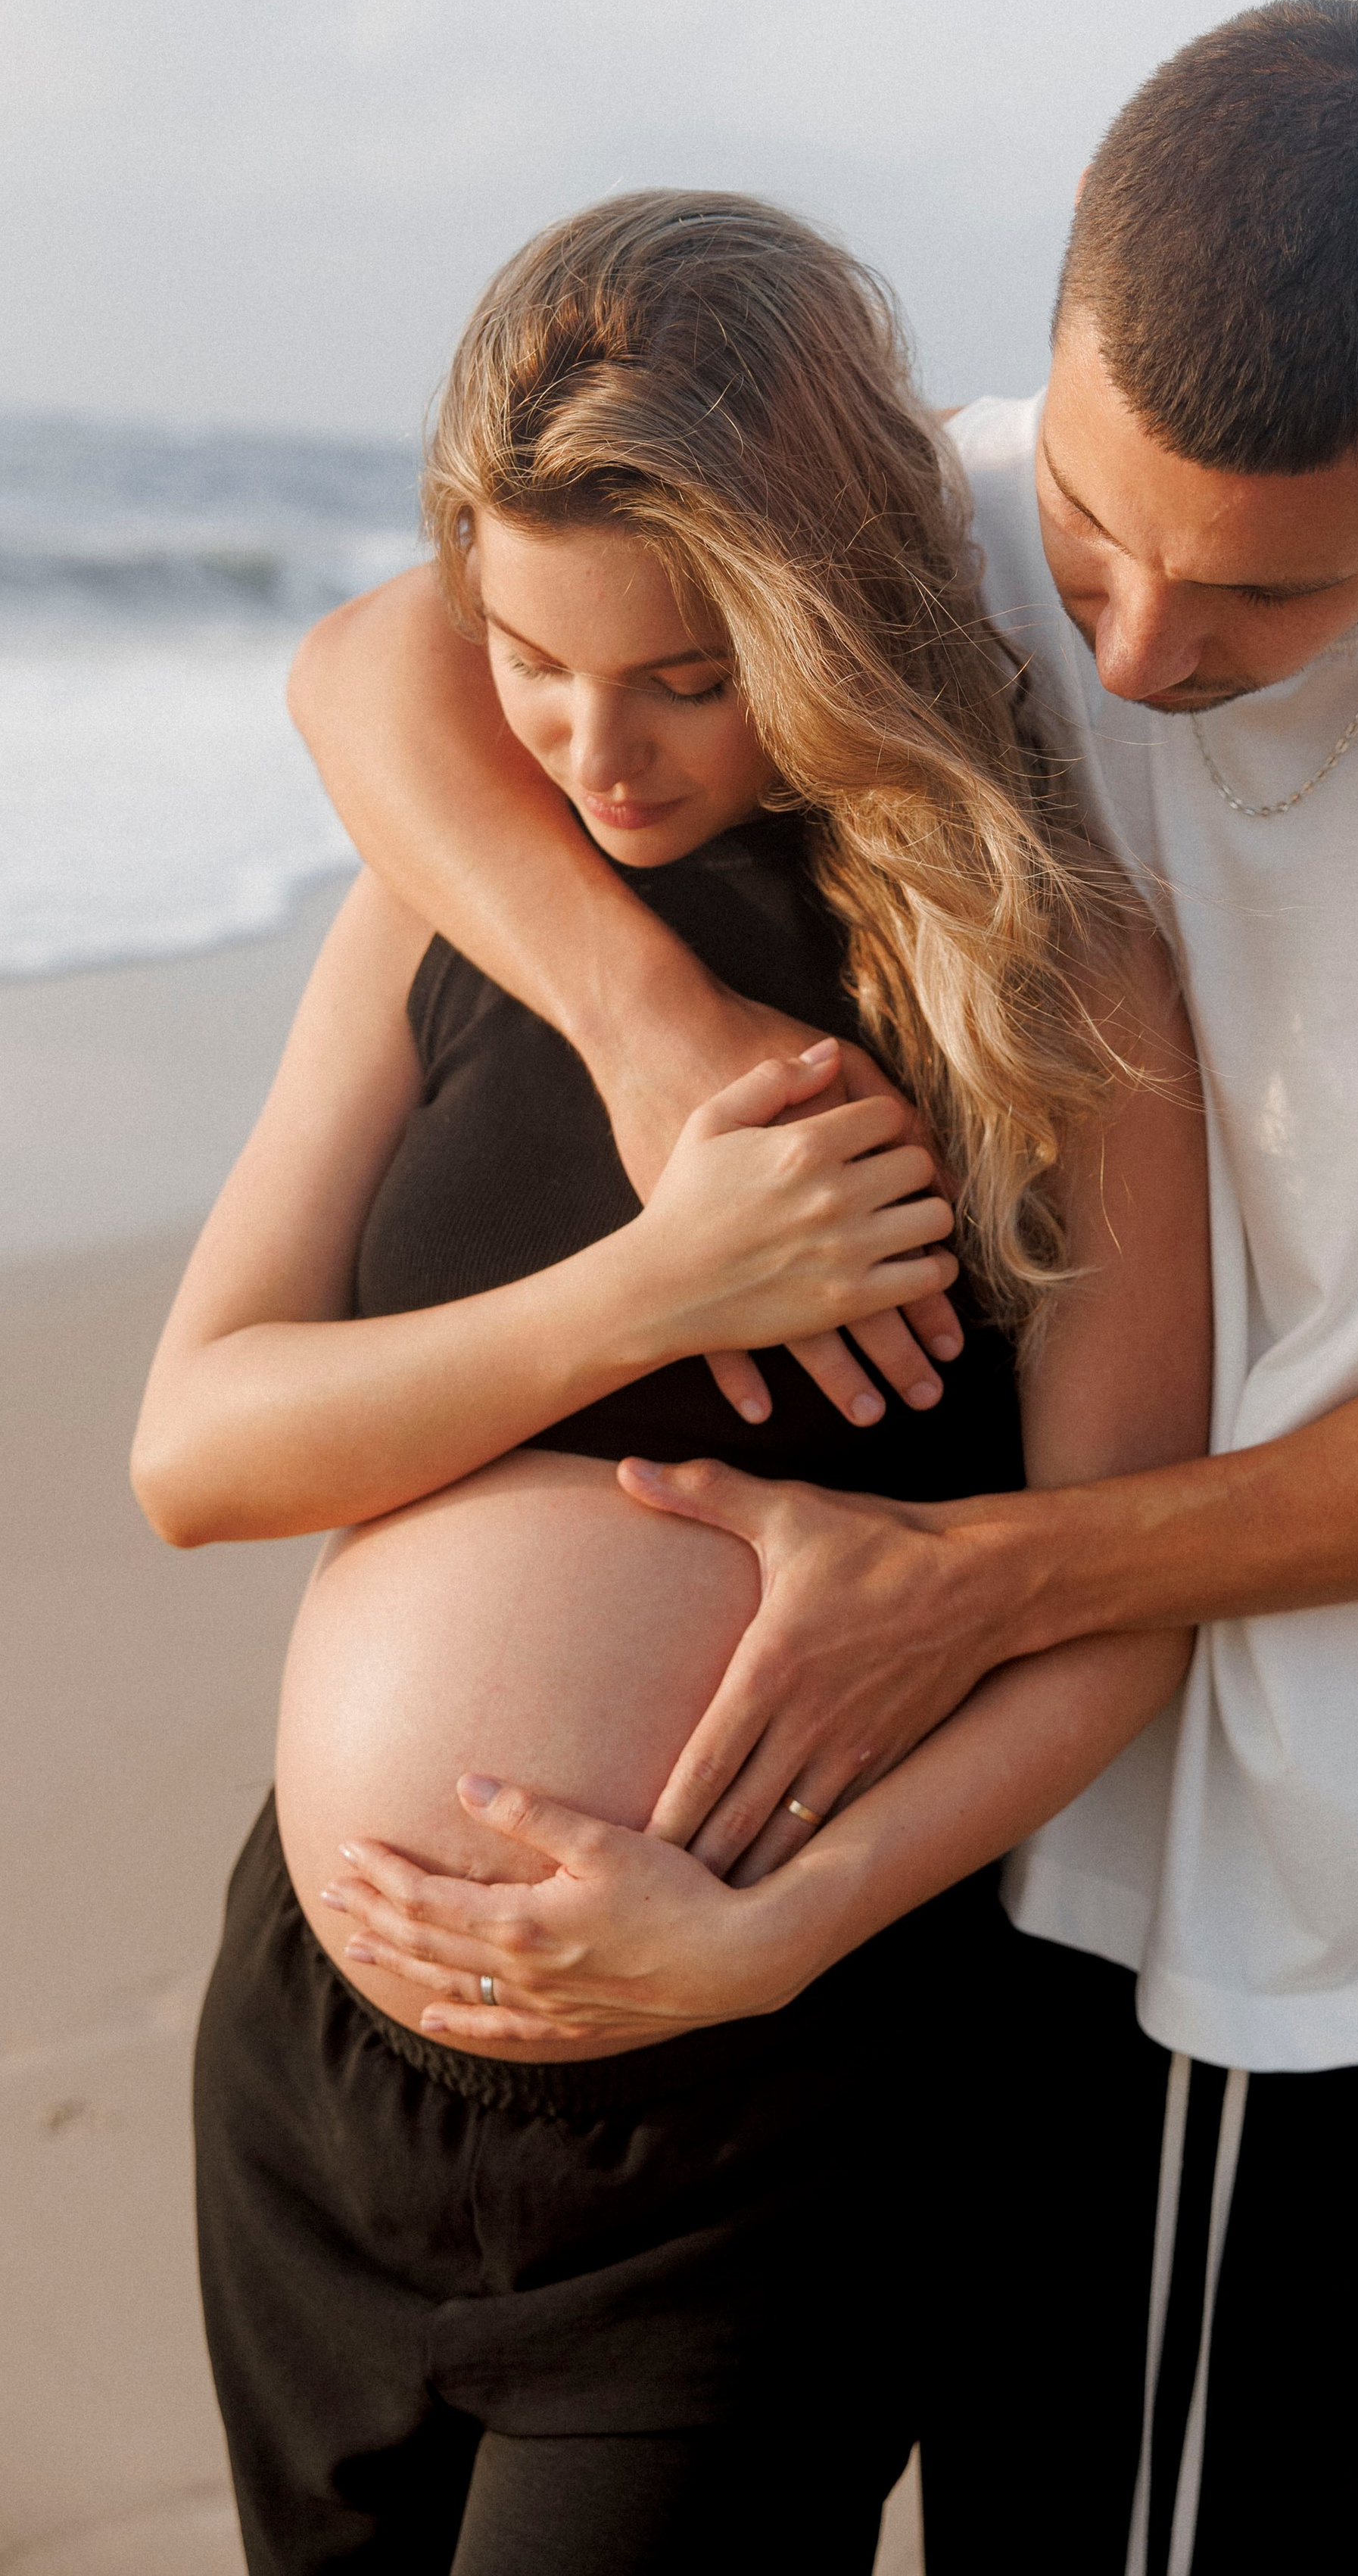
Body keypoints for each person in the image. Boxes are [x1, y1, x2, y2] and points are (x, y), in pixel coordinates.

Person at [294, 2, 1358, 2576]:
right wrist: (649, 1028)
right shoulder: (944, 514)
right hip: (1100, 1918)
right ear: (1048, 344)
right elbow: (398, 654)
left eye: (1263, 587)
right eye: (1089, 542)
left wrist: (971, 1579)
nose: (1143, 648)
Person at [132, 191, 1210, 2575]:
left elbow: (1123, 1601)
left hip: (763, 2129)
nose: (597, 752)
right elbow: (195, 1450)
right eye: (527, 660)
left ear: (835, 609)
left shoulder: (1062, 981)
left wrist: (784, 1923)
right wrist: (654, 1283)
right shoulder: (443, 889)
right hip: (316, 2087)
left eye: (688, 675)